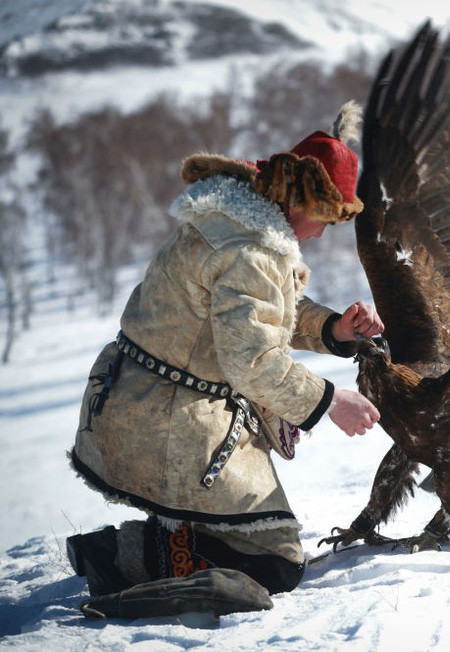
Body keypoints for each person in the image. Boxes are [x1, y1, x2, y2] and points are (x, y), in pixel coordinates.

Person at [66, 102, 383, 618]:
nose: (322, 233)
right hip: (170, 422)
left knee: (253, 545)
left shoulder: (239, 223)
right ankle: (118, 557)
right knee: (275, 564)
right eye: (324, 218)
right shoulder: (248, 251)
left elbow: (257, 313)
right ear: (300, 198)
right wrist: (331, 402)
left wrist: (333, 329)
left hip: (152, 404)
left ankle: (134, 548)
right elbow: (253, 360)